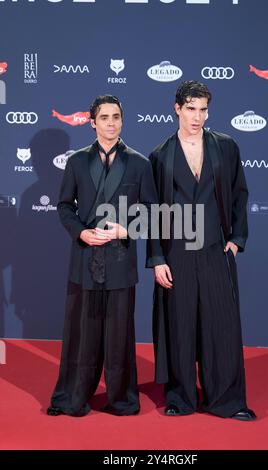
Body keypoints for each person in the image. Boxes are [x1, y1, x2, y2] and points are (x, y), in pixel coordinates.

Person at [146, 81, 256, 421]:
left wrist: (236, 238)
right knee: (179, 327)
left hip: (213, 248)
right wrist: (157, 258)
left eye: (203, 109)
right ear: (177, 108)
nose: (197, 116)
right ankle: (180, 397)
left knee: (221, 326)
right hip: (176, 250)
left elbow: (239, 194)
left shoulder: (226, 147)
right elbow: (151, 211)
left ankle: (227, 400)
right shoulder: (160, 154)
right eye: (191, 108)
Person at [47, 94, 159, 417]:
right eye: (105, 117)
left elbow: (153, 213)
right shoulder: (77, 161)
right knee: (81, 333)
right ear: (92, 122)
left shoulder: (139, 163)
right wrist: (81, 232)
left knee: (119, 334)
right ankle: (73, 395)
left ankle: (121, 398)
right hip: (84, 258)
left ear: (122, 121)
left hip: (121, 259)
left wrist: (124, 230)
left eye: (116, 117)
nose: (111, 123)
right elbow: (65, 207)